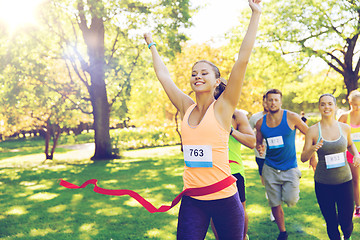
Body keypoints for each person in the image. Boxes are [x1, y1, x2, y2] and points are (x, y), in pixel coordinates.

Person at [143, 0, 261, 238]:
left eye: (204, 73)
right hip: (193, 199)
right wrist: (151, 44)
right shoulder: (186, 106)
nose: (197, 76)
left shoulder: (224, 107)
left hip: (226, 199)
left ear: (217, 80)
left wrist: (255, 14)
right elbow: (163, 76)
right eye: (194, 73)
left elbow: (242, 60)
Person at [255, 88, 313, 240]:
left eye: (276, 100)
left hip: (289, 167)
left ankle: (292, 185)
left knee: (291, 200)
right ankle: (283, 232)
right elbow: (258, 142)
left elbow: (310, 134)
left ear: (280, 101)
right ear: (265, 102)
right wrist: (260, 148)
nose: (273, 102)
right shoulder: (260, 123)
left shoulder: (292, 117)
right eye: (270, 100)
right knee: (274, 203)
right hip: (270, 167)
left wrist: (311, 155)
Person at [301, 93, 360, 240]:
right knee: (331, 222)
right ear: (319, 107)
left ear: (335, 106)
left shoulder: (344, 128)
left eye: (329, 104)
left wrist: (356, 155)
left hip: (345, 181)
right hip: (323, 184)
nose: (326, 107)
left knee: (346, 221)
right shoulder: (313, 130)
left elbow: (350, 144)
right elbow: (303, 158)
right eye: (323, 104)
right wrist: (313, 148)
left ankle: (347, 236)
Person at [211, 78, 256, 240]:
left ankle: (242, 238)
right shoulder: (203, 114)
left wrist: (231, 131)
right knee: (213, 212)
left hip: (234, 171)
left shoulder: (237, 116)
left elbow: (252, 142)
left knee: (239, 210)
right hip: (211, 171)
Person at [249, 94, 275, 222]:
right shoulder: (255, 118)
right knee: (266, 183)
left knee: (273, 182)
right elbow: (247, 133)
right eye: (266, 101)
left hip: (276, 155)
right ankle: (273, 201)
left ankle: (274, 210)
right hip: (261, 155)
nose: (268, 104)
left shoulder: (279, 116)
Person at [338, 90, 360, 218]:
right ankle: (358, 207)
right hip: (351, 153)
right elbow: (337, 133)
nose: (358, 107)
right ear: (350, 102)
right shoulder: (345, 117)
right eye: (355, 104)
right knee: (355, 180)